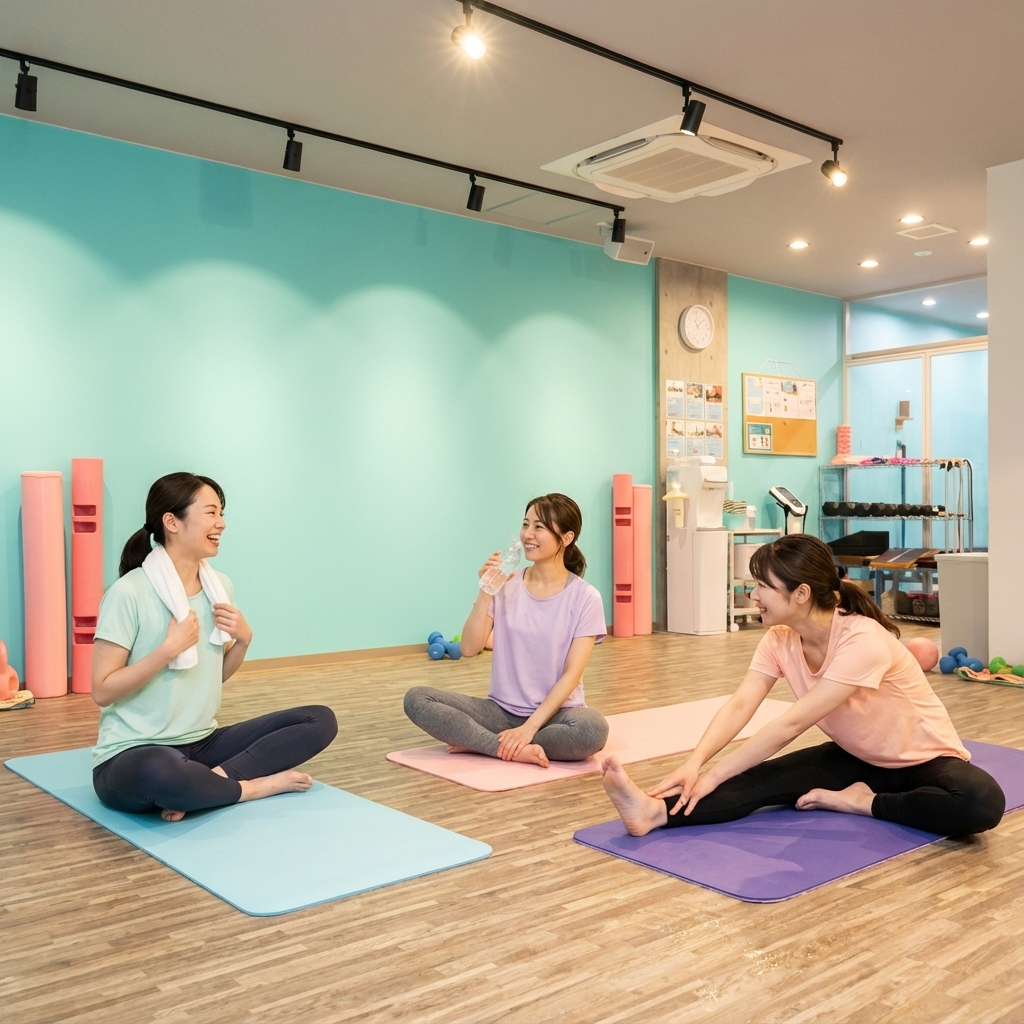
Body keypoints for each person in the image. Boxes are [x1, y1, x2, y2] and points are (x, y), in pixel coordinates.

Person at [601, 534, 1005, 837]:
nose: (752, 594)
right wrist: (696, 763)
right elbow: (741, 704)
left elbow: (791, 725)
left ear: (801, 594)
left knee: (981, 801)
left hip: (926, 763)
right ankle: (653, 812)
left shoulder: (861, 640)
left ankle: (862, 803)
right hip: (856, 758)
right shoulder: (779, 639)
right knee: (759, 781)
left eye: (762, 586)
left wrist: (713, 773)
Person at [91, 472, 337, 821]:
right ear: (172, 522)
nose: (221, 523)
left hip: (202, 743)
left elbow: (209, 677)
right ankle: (251, 787)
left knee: (320, 719)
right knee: (162, 770)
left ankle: (211, 783)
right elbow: (102, 691)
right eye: (210, 512)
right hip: (134, 752)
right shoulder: (128, 593)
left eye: (221, 513)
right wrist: (166, 651)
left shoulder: (219, 587)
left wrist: (244, 642)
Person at [404, 493, 609, 767]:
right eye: (526, 524)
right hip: (500, 712)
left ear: (567, 537)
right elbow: (468, 648)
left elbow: (572, 674)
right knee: (417, 699)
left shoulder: (585, 597)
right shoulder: (506, 584)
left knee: (592, 731)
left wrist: (530, 728)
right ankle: (502, 746)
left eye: (540, 527)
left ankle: (483, 742)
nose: (528, 534)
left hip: (557, 714)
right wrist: (486, 590)